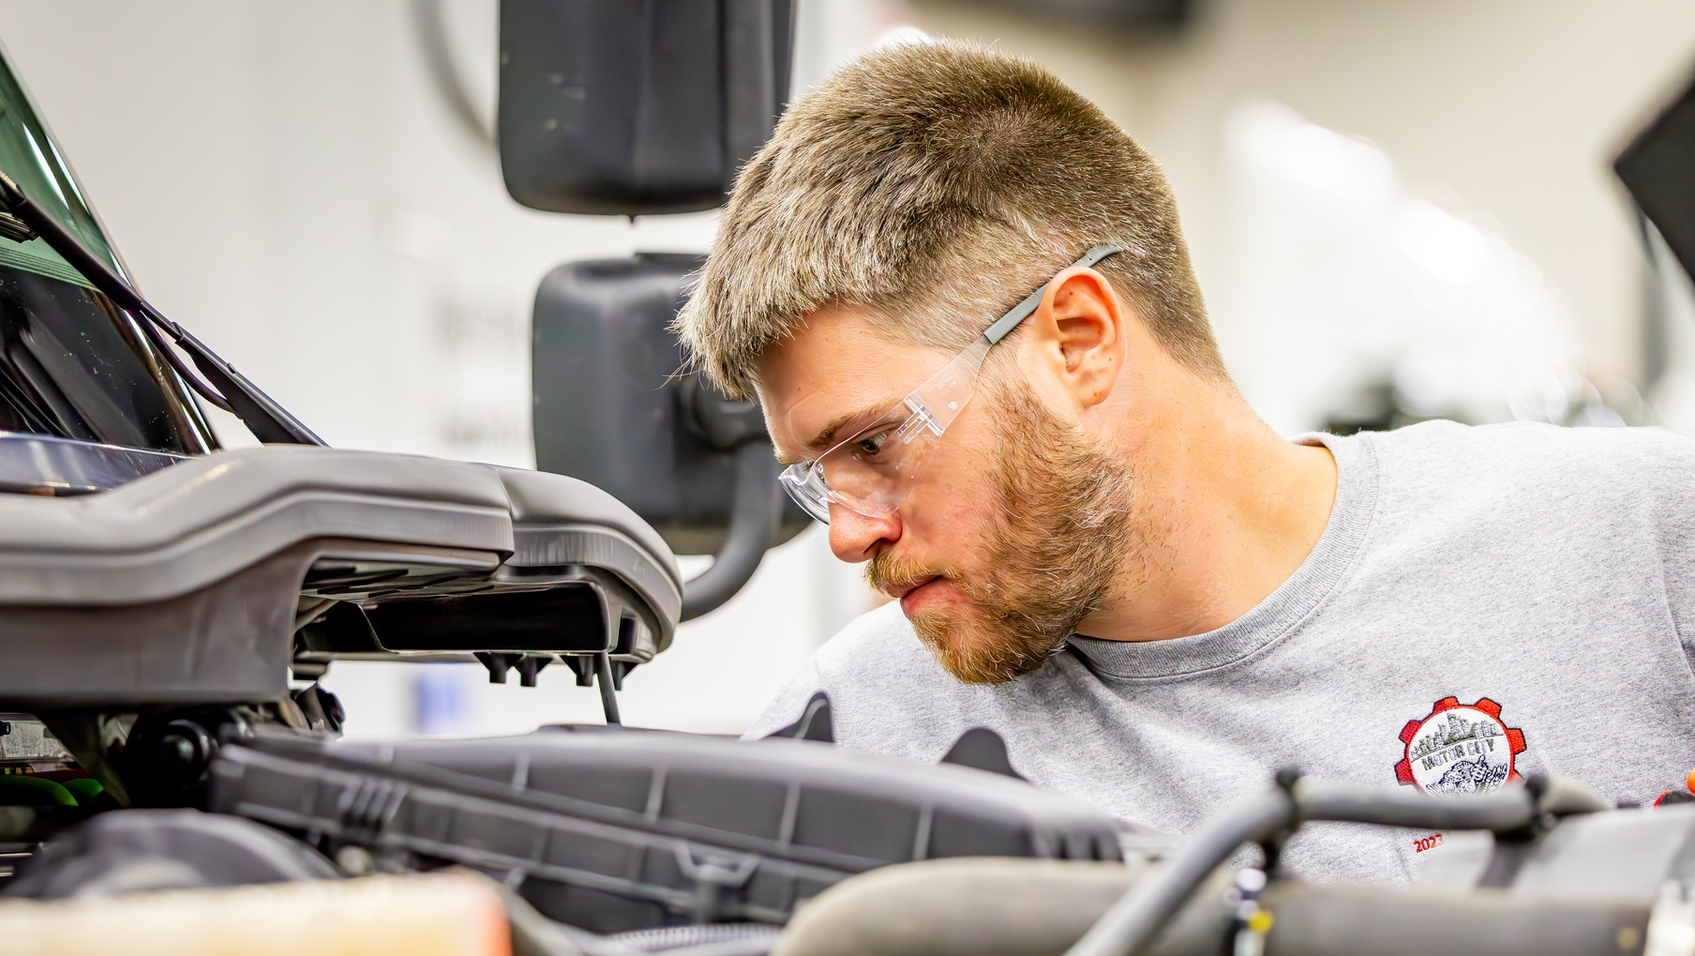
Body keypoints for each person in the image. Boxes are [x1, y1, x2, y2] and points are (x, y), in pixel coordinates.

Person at [673, 39, 1695, 881]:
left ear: (1076, 341)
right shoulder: (853, 741)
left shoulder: (1638, 547)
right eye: (817, 475)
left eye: (874, 443)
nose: (850, 534)